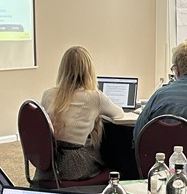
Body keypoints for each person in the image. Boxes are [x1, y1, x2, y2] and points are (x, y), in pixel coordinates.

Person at [40, 45, 124, 181]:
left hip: (48, 165)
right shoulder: (95, 97)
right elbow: (118, 113)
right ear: (89, 70)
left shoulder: (48, 94)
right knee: (109, 158)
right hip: (75, 166)